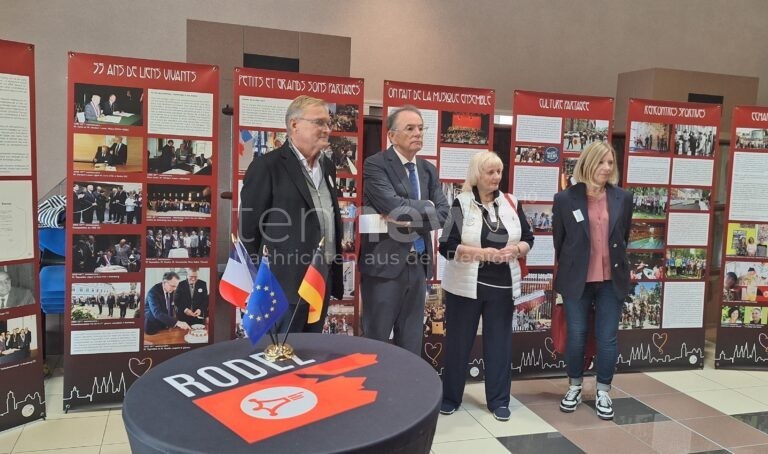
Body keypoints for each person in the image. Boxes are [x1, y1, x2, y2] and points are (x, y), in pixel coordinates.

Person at [438, 151, 534, 421]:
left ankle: (499, 400)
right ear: (476, 175)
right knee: (458, 344)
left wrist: (516, 249)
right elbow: (446, 246)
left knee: (499, 346)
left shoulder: (511, 202)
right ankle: (450, 397)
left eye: (499, 172)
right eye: (490, 172)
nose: (496, 177)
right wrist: (482, 254)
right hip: (465, 288)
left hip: (502, 288)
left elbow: (528, 238)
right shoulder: (461, 203)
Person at [240, 95, 343, 333]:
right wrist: (263, 280)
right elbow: (248, 230)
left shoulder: (327, 167)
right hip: (283, 285)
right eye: (319, 122)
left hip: (321, 280)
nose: (327, 129)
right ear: (294, 125)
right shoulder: (267, 166)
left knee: (312, 349)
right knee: (283, 352)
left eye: (328, 123)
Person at [359, 105, 450, 355]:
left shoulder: (428, 170)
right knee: (375, 344)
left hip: (418, 265)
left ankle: (408, 383)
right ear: (392, 135)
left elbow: (444, 214)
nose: (418, 133)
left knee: (411, 343)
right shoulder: (376, 164)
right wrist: (427, 206)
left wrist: (409, 218)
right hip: (384, 267)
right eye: (410, 128)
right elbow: (393, 206)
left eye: (421, 128)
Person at [552, 141, 633, 421]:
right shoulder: (565, 199)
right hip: (578, 280)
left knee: (607, 337)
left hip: (612, 280)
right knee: (576, 334)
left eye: (610, 163)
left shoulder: (623, 198)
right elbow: (560, 242)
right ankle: (574, 386)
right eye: (601, 162)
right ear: (587, 163)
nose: (607, 168)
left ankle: (603, 391)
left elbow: (623, 236)